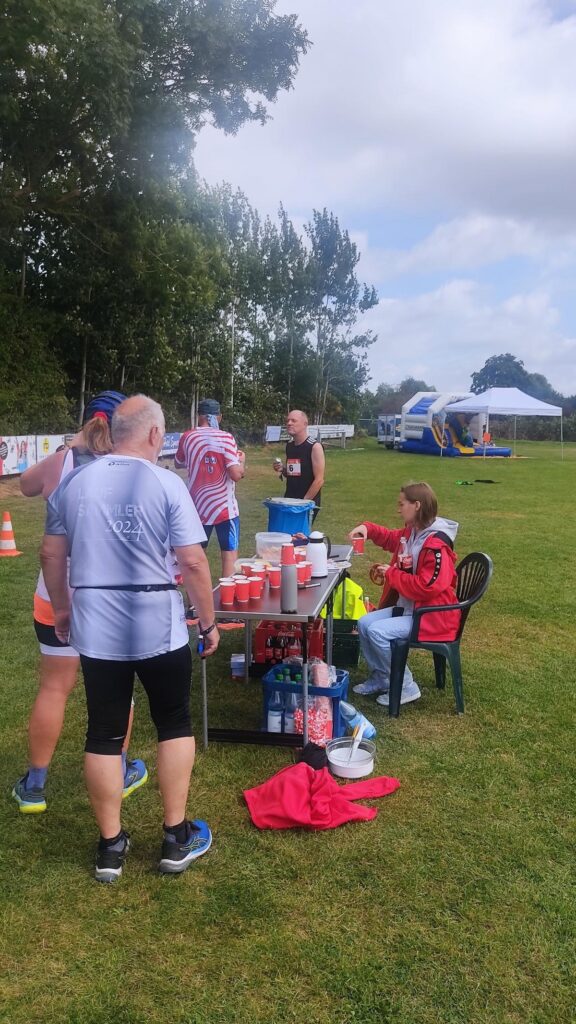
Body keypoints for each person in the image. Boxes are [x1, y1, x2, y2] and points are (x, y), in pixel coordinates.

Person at [41, 395, 220, 882]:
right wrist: (208, 624)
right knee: (174, 723)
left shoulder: (73, 480)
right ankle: (175, 836)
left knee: (103, 731)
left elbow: (51, 555)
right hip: (157, 621)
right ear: (155, 434)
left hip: (96, 623)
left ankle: (110, 847)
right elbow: (193, 561)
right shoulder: (166, 482)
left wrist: (62, 610)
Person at [12, 391, 148, 814]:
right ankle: (119, 769)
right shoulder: (133, 468)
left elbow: (25, 485)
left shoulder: (62, 461)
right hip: (110, 598)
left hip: (55, 594)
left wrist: (66, 450)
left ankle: (35, 785)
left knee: (54, 688)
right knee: (117, 691)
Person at [348, 482, 459, 707]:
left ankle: (406, 686)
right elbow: (392, 538)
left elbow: (427, 587)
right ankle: (382, 677)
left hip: (431, 616)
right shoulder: (414, 531)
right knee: (364, 623)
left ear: (416, 505)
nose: (398, 509)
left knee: (377, 632)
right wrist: (367, 529)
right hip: (412, 608)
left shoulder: (436, 545)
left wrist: (392, 573)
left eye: (402, 504)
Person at [175, 399, 245, 580]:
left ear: (199, 416)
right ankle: (227, 596)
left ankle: (194, 598)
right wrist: (242, 461)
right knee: (229, 555)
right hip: (225, 509)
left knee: (196, 557)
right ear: (218, 416)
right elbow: (236, 474)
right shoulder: (226, 438)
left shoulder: (187, 436)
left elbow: (178, 462)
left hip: (197, 508)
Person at [273, 409, 325, 515]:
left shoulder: (314, 447)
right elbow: (293, 473)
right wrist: (282, 469)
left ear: (305, 424)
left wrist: (302, 503)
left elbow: (319, 480)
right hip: (289, 501)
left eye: (293, 420)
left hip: (307, 504)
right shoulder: (290, 446)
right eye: (287, 421)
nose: (289, 423)